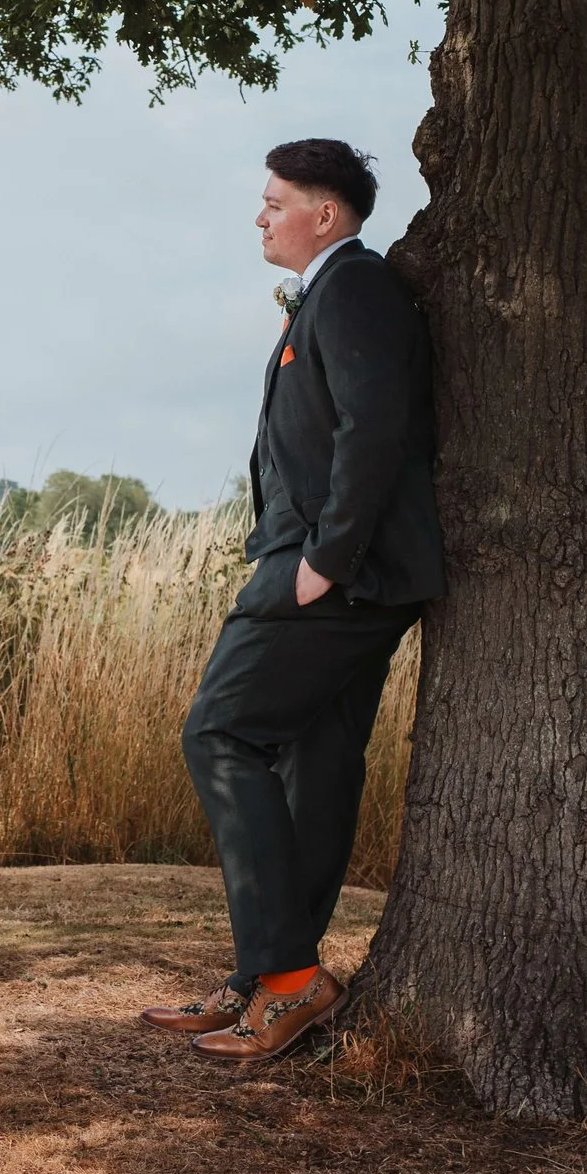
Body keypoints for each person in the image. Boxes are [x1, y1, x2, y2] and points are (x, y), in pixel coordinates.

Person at [141, 140, 444, 1062]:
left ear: (327, 213)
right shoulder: (329, 293)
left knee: (218, 733)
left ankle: (284, 974)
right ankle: (269, 979)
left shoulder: (353, 286)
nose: (261, 217)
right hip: (346, 573)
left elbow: (376, 423)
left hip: (332, 574)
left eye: (275, 202)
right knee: (316, 765)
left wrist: (326, 557)